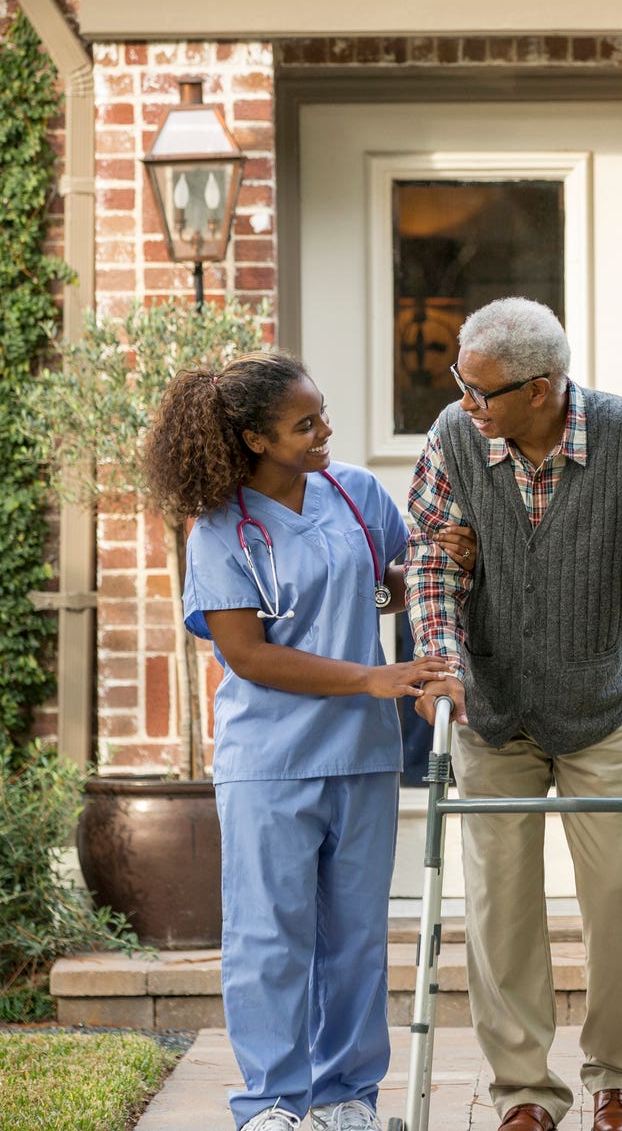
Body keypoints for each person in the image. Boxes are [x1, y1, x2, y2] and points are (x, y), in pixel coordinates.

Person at [406, 298, 622, 1131]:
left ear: (543, 388)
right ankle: (522, 1091)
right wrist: (440, 662)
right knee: (500, 901)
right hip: (492, 705)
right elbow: (432, 562)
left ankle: (617, 1077)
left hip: (601, 702)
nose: (465, 404)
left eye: (482, 392)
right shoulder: (453, 437)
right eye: (460, 386)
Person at [145, 348, 477, 1131]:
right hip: (270, 761)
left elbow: (393, 580)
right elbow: (248, 654)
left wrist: (435, 559)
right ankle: (270, 1103)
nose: (325, 430)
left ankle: (346, 1097)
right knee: (271, 937)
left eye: (321, 412)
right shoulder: (220, 529)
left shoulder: (356, 494)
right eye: (305, 423)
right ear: (257, 439)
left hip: (363, 754)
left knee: (357, 940)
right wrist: (373, 678)